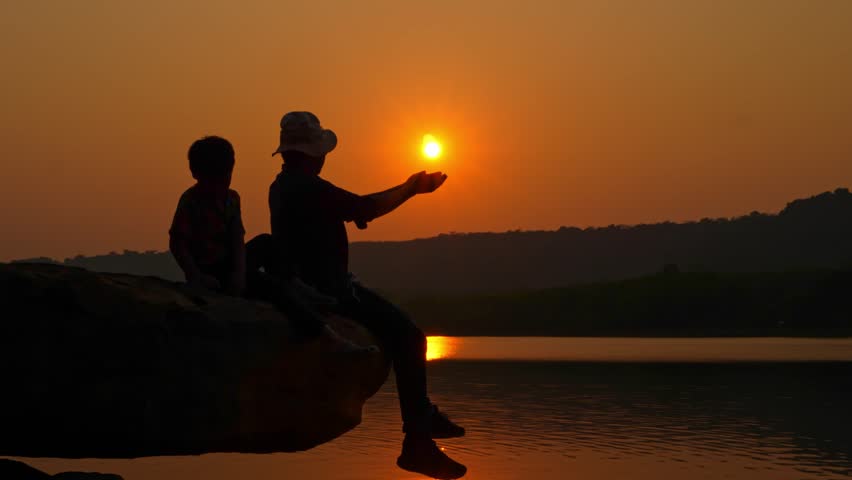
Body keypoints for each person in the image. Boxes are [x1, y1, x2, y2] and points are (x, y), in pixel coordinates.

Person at [266, 111, 467, 479]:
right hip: (326, 291)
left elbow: (349, 211)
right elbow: (365, 208)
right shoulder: (306, 187)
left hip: (321, 283)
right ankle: (417, 442)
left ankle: (422, 418)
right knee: (409, 337)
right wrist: (411, 188)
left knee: (401, 333)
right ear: (313, 153)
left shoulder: (285, 186)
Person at [169, 135, 369, 351]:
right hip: (210, 269)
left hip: (231, 264)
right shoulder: (190, 201)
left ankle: (295, 282)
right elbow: (178, 242)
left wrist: (239, 272)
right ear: (196, 174)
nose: (221, 185)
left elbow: (237, 238)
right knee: (274, 291)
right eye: (214, 180)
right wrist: (196, 276)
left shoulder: (232, 198)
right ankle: (328, 336)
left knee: (267, 242)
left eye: (225, 177)